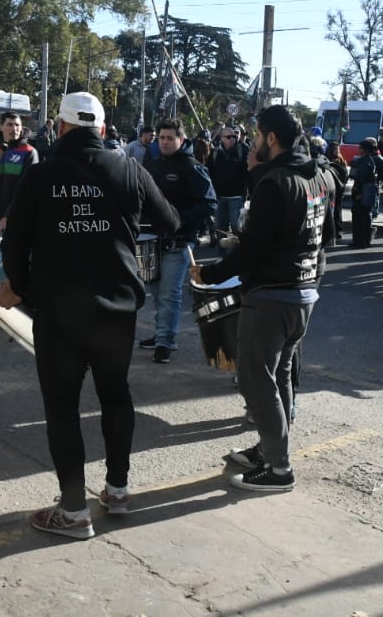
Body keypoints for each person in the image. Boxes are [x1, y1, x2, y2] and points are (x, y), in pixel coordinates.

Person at [0, 92, 179, 538]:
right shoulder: (129, 167)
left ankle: (74, 511)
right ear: (100, 127)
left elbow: (13, 243)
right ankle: (117, 489)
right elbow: (170, 222)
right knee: (116, 394)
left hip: (59, 309)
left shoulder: (41, 175)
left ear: (60, 127)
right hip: (117, 304)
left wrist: (16, 287)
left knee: (62, 406)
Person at [192, 105, 334, 492]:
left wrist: (209, 273)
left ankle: (279, 469)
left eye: (257, 136)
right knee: (281, 375)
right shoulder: (323, 177)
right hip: (303, 293)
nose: (254, 143)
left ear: (271, 138)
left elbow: (252, 249)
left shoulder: (276, 183)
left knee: (257, 380)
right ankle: (270, 449)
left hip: (272, 296)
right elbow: (327, 239)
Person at [140, 118, 217, 363]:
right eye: (161, 137)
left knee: (169, 293)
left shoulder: (191, 167)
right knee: (155, 291)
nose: (164, 141)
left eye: (169, 138)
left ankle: (165, 341)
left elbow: (209, 203)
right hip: (151, 241)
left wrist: (179, 220)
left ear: (181, 140)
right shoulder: (150, 165)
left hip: (180, 242)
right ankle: (161, 332)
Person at [0, 111, 39, 235]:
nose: (14, 128)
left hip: (17, 218)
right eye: (9, 124)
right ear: (1, 127)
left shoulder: (30, 152)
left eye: (17, 125)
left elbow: (27, 190)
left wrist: (8, 216)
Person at [209, 126, 248, 249]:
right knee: (221, 228)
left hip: (236, 196)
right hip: (219, 197)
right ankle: (223, 255)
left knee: (237, 227)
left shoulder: (243, 150)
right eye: (228, 137)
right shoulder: (214, 153)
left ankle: (238, 254)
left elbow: (249, 173)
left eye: (234, 137)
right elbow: (209, 173)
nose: (232, 139)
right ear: (221, 138)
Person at [348, 138, 383, 248]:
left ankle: (359, 241)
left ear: (364, 149)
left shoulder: (365, 161)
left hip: (362, 192)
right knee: (365, 217)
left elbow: (360, 178)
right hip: (367, 193)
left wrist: (356, 192)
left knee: (359, 218)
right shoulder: (370, 160)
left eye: (360, 148)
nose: (359, 149)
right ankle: (365, 240)